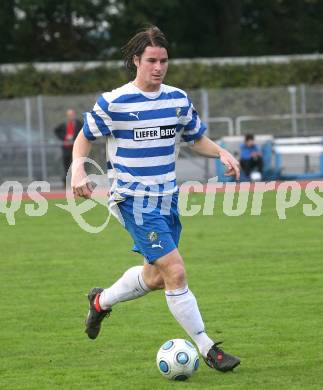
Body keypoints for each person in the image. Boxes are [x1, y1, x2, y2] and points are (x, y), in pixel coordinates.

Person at [71, 26, 241, 373]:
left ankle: (100, 302)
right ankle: (208, 348)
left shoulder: (177, 99)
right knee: (176, 271)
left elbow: (196, 138)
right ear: (136, 61)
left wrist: (221, 151)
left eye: (163, 60)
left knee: (157, 277)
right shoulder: (114, 102)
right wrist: (78, 169)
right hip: (132, 199)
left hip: (167, 199)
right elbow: (84, 138)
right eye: (151, 60)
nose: (158, 67)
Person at [54, 108, 82, 184]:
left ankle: (77, 181)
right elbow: (56, 130)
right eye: (69, 115)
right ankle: (66, 182)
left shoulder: (79, 124)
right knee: (66, 165)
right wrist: (64, 138)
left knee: (76, 165)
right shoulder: (64, 124)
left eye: (72, 114)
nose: (71, 116)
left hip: (76, 148)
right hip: (66, 148)